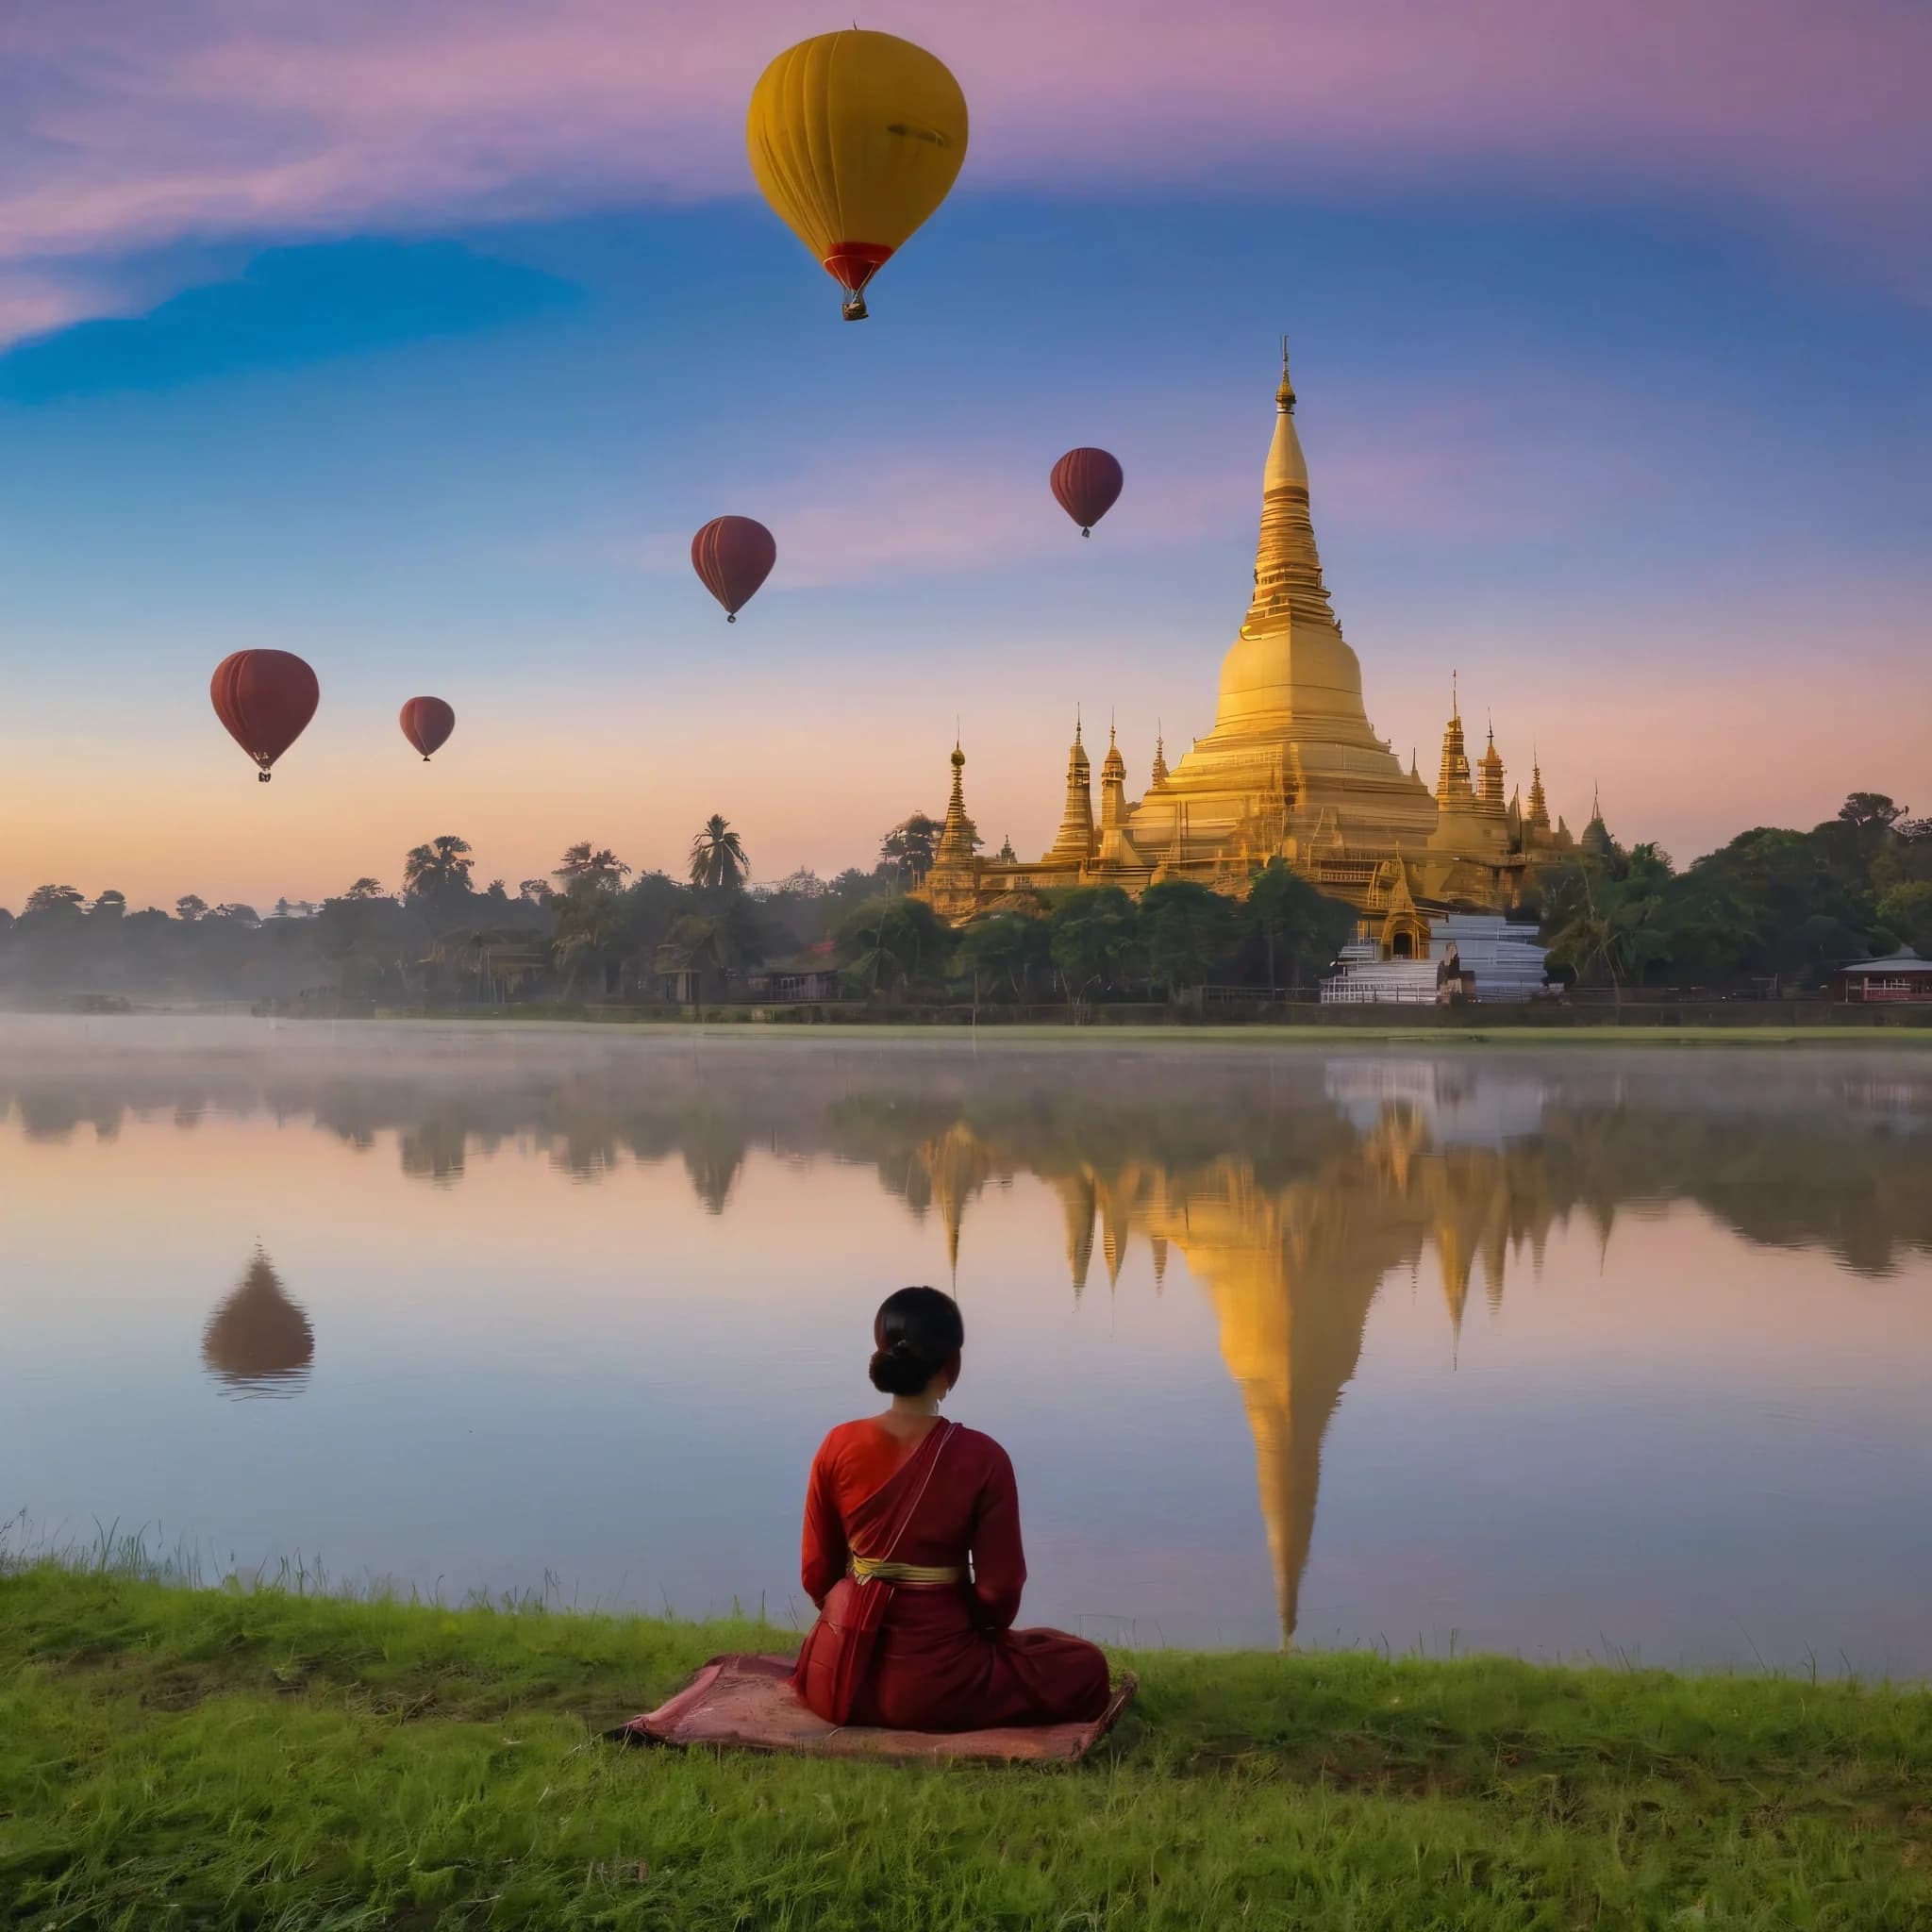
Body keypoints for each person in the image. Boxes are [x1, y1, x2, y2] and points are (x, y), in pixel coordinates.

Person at [792, 1286, 1111, 1731]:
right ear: (952, 1365)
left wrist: (849, 1619)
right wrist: (971, 1630)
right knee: (1083, 1664)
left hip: (838, 1681)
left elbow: (816, 1574)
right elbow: (1000, 1593)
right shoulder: (983, 1458)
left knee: (1046, 1647)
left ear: (884, 1354)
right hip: (939, 1688)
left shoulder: (837, 1444)